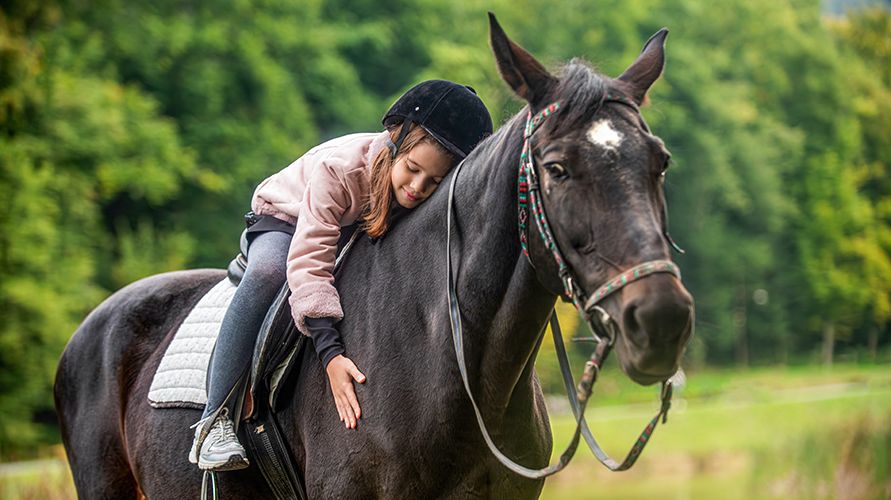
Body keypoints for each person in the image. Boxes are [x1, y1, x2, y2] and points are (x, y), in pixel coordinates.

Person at [188, 80, 493, 471]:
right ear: (394, 142)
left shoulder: (419, 192)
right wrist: (331, 355)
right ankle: (213, 420)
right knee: (269, 272)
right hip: (289, 218)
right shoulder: (341, 170)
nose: (417, 188)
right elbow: (310, 259)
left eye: (433, 181)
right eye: (412, 169)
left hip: (353, 224)